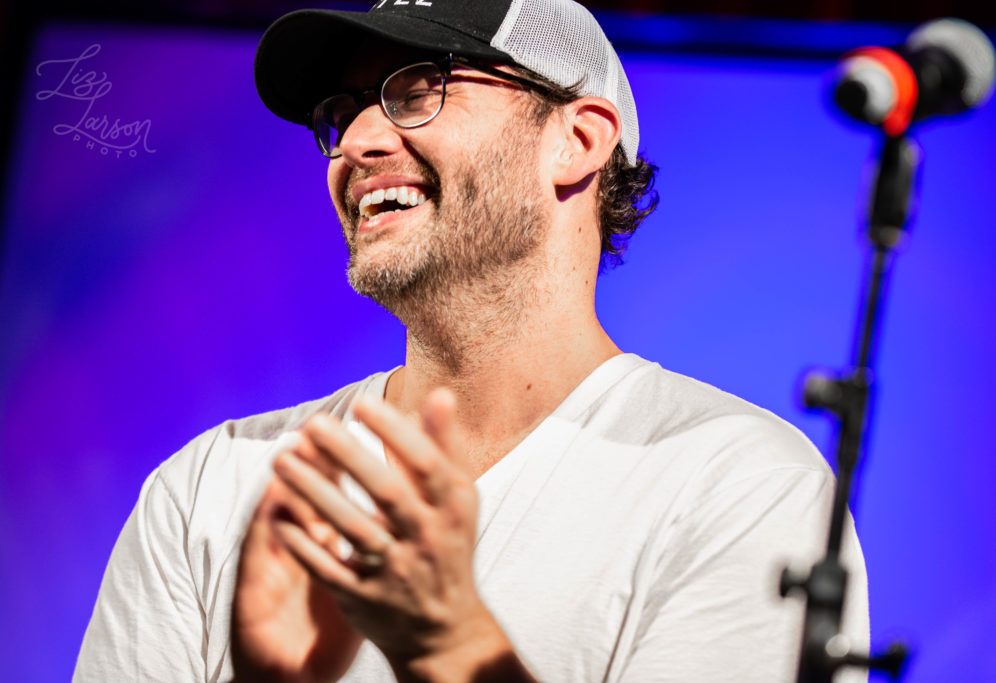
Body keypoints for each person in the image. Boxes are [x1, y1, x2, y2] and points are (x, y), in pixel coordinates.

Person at [75, 0, 870, 681]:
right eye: (344, 109)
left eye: (418, 88)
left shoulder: (740, 486)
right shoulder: (211, 488)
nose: (355, 141)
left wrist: (453, 648)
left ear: (577, 140)